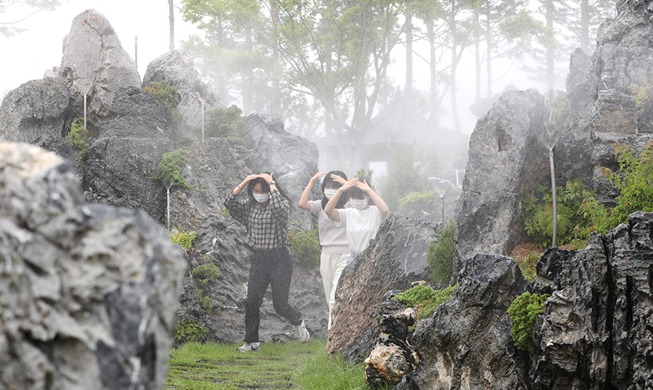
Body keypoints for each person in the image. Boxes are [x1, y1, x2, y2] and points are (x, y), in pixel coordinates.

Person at [224, 173, 310, 352]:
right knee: (252, 301)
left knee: (280, 305)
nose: (258, 193)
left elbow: (280, 208)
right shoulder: (249, 208)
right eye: (255, 190)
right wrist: (246, 180)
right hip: (259, 259)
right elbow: (229, 203)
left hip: (279, 259)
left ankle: (298, 320)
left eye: (261, 190)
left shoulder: (278, 206)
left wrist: (270, 183)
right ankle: (251, 341)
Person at [298, 170, 349, 330]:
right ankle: (338, 331)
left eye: (335, 185)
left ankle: (332, 335)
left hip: (346, 255)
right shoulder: (320, 205)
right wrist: (312, 181)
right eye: (327, 185)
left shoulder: (349, 206)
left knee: (335, 296)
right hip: (326, 255)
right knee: (329, 298)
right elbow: (302, 203)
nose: (330, 188)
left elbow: (366, 201)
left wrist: (346, 186)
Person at [324, 177, 390, 264]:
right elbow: (328, 211)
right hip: (353, 259)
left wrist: (368, 190)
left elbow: (385, 210)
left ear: (367, 197)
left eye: (360, 197)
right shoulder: (348, 213)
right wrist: (340, 190)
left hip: (374, 258)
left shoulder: (376, 211)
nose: (356, 200)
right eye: (353, 197)